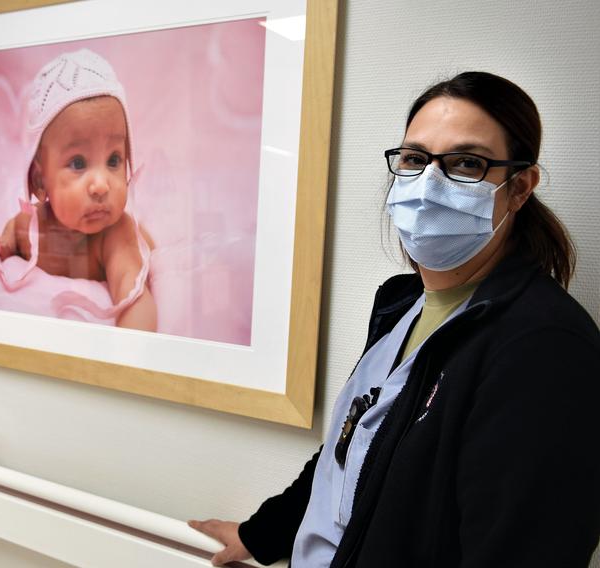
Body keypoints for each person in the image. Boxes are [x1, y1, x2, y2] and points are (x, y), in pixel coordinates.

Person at [189, 71, 600, 567]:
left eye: (466, 163)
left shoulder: (545, 348)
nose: (429, 184)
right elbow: (354, 452)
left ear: (519, 188)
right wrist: (264, 534)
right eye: (415, 159)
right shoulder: (400, 306)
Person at [0, 48, 157, 331]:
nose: (100, 185)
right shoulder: (31, 227)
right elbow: (12, 232)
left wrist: (133, 360)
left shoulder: (114, 234)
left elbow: (130, 288)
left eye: (113, 160)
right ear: (39, 181)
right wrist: (2, 244)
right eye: (78, 163)